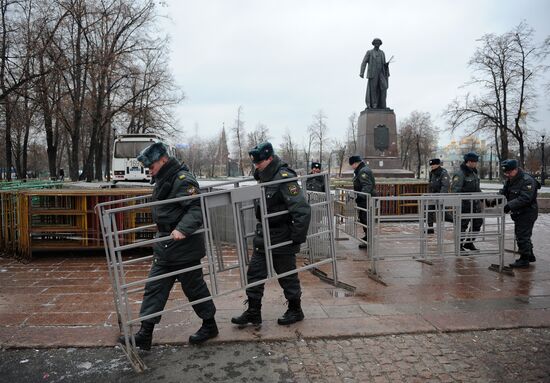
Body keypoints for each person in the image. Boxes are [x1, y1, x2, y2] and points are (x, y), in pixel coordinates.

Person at [120, 142, 218, 350]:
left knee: (194, 288)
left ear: (163, 160)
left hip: (183, 245)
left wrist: (181, 229)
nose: (149, 170)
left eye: (151, 165)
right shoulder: (164, 178)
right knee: (155, 287)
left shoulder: (183, 180)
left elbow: (195, 210)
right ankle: (145, 334)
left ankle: (210, 325)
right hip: (166, 245)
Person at [231, 142, 311, 328]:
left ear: (269, 158)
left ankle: (295, 310)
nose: (256, 166)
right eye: (255, 163)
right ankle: (253, 312)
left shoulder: (283, 178)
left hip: (282, 237)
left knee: (287, 276)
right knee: (255, 275)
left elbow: (302, 211)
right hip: (263, 235)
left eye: (259, 162)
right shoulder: (264, 177)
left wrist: (296, 238)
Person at [500, 159, 539, 268]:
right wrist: (496, 199)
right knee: (523, 234)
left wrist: (509, 205)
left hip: (527, 212)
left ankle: (524, 259)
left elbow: (525, 198)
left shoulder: (527, 180)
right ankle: (530, 255)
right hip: (518, 213)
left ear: (516, 169)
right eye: (506, 173)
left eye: (509, 172)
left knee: (522, 235)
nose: (507, 175)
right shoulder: (511, 179)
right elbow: (504, 191)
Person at [451, 152, 483, 253]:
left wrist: (483, 197)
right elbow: (455, 190)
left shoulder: (474, 172)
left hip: (475, 204)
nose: (476, 164)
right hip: (464, 205)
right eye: (475, 162)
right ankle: (459, 246)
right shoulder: (460, 173)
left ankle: (469, 242)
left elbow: (477, 188)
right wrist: (461, 202)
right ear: (469, 162)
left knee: (477, 223)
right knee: (462, 226)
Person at [349, 155, 376, 248]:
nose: (351, 167)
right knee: (364, 218)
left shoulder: (363, 171)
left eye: (351, 164)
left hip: (366, 200)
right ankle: (367, 237)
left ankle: (369, 240)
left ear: (355, 163)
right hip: (365, 200)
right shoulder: (361, 170)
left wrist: (360, 196)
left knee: (365, 218)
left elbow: (367, 186)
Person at [359, 38, 390, 109]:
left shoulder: (382, 53)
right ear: (373, 43)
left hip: (381, 73)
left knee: (384, 87)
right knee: (374, 89)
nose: (377, 44)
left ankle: (383, 105)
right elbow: (364, 62)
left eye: (378, 43)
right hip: (373, 73)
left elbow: (384, 63)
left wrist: (386, 65)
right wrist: (362, 72)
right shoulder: (369, 52)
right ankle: (374, 105)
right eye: (376, 43)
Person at [427, 158, 452, 234]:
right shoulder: (432, 173)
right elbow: (431, 184)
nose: (432, 166)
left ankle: (457, 222)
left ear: (438, 164)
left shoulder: (443, 173)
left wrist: (440, 196)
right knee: (429, 211)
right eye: (431, 165)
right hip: (433, 196)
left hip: (440, 196)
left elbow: (445, 186)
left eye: (433, 164)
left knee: (444, 214)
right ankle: (430, 228)